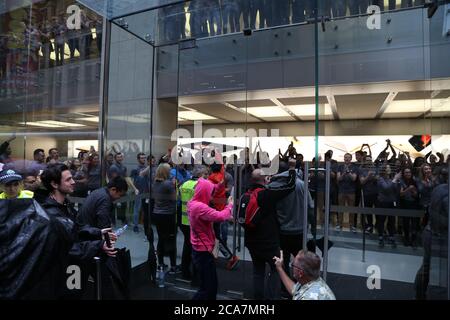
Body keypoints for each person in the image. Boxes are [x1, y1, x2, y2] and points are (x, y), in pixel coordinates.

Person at [39, 163, 117, 299]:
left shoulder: (65, 205)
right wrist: (98, 245)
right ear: (55, 184)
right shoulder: (49, 214)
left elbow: (77, 227)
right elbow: (66, 248)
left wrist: (98, 232)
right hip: (62, 271)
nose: (73, 182)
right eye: (68, 180)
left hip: (73, 268)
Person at [244, 158, 297, 300]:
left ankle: (258, 297)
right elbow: (290, 186)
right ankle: (272, 298)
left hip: (251, 241)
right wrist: (292, 168)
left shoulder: (246, 195)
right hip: (268, 242)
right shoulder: (266, 195)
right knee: (275, 269)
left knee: (258, 271)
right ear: (265, 179)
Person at [187, 177, 234, 300]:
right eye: (210, 193)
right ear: (205, 193)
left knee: (208, 285)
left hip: (201, 248)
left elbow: (209, 188)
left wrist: (221, 183)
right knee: (208, 288)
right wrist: (230, 205)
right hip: (204, 251)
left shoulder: (193, 202)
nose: (212, 196)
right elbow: (220, 216)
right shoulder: (200, 207)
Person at [179, 165, 208, 280]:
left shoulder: (184, 184)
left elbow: (180, 198)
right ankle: (197, 275)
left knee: (187, 246)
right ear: (201, 175)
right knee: (197, 248)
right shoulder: (200, 186)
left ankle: (185, 272)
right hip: (196, 222)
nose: (207, 176)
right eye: (205, 174)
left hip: (184, 220)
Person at [152, 163, 179, 273]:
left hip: (157, 213)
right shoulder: (168, 184)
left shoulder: (155, 183)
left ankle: (161, 264)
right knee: (171, 239)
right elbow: (175, 198)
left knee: (161, 239)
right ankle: (173, 266)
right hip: (168, 215)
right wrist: (175, 186)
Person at [337, 153, 358, 232]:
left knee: (351, 209)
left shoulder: (355, 167)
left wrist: (348, 172)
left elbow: (354, 179)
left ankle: (351, 225)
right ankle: (339, 224)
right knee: (340, 208)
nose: (346, 159)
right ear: (343, 158)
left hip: (351, 191)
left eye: (348, 158)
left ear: (351, 159)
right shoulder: (340, 167)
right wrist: (343, 173)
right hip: (341, 191)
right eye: (345, 157)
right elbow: (338, 178)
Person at [130, 152, 148, 232]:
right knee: (137, 209)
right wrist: (134, 189)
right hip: (138, 192)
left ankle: (145, 225)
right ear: (138, 159)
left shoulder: (147, 168)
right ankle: (135, 225)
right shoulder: (135, 169)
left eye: (144, 158)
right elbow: (131, 181)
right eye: (141, 158)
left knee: (145, 209)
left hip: (146, 192)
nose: (143, 159)